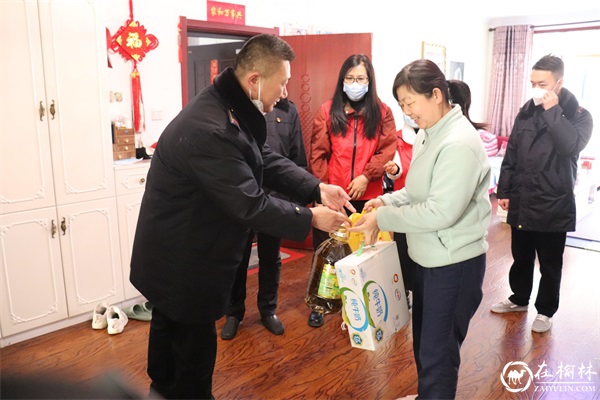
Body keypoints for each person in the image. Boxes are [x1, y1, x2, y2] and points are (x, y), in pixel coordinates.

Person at [129, 34, 355, 400]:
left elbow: (262, 157)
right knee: (189, 359)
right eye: (281, 82)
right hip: (182, 265)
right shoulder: (211, 128)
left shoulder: (228, 109)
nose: (285, 91)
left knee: (172, 351)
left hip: (181, 256)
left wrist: (316, 188)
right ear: (254, 81)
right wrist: (310, 217)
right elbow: (251, 205)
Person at [348, 59, 492, 399]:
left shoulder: (457, 143)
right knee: (426, 347)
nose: (407, 112)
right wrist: (387, 202)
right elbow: (417, 192)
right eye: (402, 105)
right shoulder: (431, 133)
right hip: (429, 259)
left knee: (438, 356)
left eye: (410, 102)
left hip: (453, 265)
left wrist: (383, 219)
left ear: (437, 95)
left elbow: (440, 212)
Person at [491, 54, 593, 333]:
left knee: (549, 263)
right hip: (523, 198)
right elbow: (511, 153)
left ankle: (545, 311)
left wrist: (552, 111)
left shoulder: (580, 115)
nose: (536, 88)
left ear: (559, 83)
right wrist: (505, 189)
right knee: (520, 256)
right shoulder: (525, 110)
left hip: (553, 202)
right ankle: (519, 299)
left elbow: (570, 146)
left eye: (543, 83)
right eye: (533, 82)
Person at [306, 53, 397, 328]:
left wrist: (365, 176)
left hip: (367, 195)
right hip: (335, 197)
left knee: (363, 250)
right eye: (350, 78)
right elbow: (318, 154)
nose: (355, 83)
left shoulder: (382, 112)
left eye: (361, 78)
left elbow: (386, 149)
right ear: (342, 80)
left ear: (370, 81)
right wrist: (324, 191)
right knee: (328, 251)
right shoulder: (327, 110)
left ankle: (357, 303)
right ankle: (321, 303)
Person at [221, 98, 307, 340]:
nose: (283, 88)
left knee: (271, 257)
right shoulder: (241, 105)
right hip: (244, 196)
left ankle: (268, 310)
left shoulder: (289, 109)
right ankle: (233, 313)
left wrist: (298, 196)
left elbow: (297, 157)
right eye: (281, 80)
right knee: (238, 257)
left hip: (275, 198)